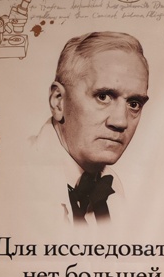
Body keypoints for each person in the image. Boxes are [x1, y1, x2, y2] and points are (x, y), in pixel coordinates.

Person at [29, 31, 150, 226]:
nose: (121, 122)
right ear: (58, 102)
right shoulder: (13, 180)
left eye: (134, 104)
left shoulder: (114, 191)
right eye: (103, 97)